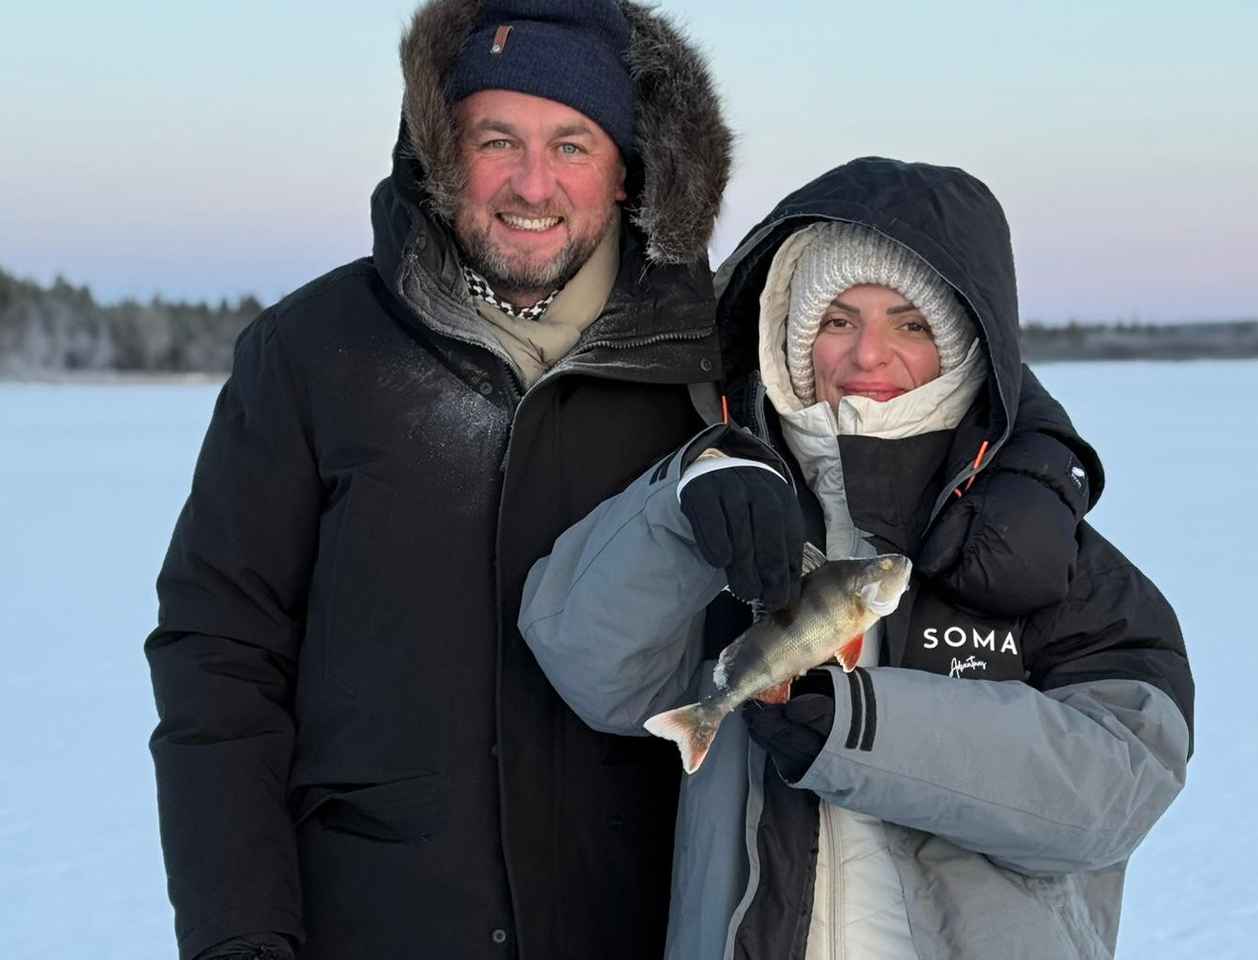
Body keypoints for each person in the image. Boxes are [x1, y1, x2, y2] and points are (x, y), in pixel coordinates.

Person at [143, 2, 732, 958]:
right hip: (373, 924)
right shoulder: (311, 353)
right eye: (496, 140)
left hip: (636, 926)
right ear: (441, 156)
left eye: (572, 144)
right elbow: (220, 657)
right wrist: (238, 931)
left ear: (628, 171)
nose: (532, 184)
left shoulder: (709, 369)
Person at [520, 157, 1195, 959]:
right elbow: (592, 671)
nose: (868, 355)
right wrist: (678, 506)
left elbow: (1114, 792)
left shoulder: (1052, 553)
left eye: (911, 324)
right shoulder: (733, 523)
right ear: (791, 337)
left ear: (967, 347)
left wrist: (864, 727)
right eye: (837, 320)